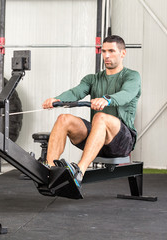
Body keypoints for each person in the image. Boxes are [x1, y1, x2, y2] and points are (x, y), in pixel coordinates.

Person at [42, 35, 141, 188]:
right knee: (64, 118)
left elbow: (126, 94)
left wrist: (106, 99)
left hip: (122, 141)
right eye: (104, 51)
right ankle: (49, 169)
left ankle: (79, 172)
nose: (106, 56)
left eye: (112, 51)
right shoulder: (92, 79)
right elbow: (76, 93)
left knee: (101, 117)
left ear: (123, 53)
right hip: (96, 139)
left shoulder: (132, 76)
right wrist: (57, 99)